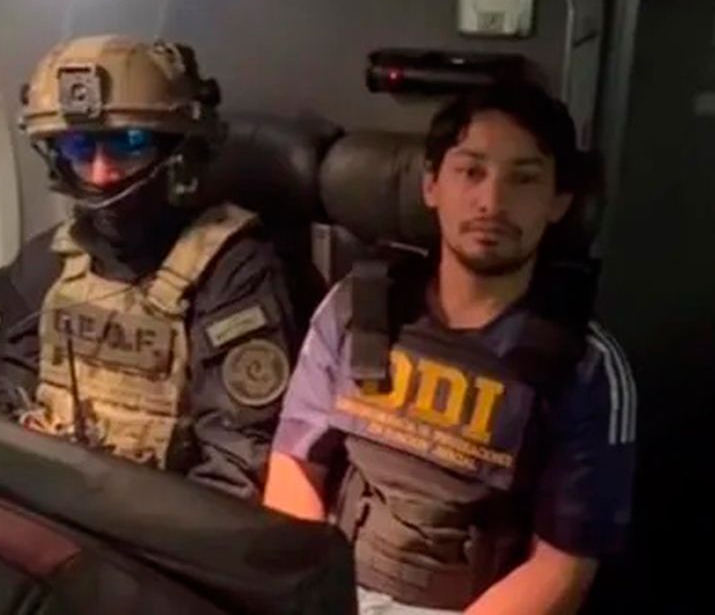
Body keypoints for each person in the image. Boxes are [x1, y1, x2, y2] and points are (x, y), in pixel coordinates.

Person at [263, 83, 637, 613]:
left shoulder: (587, 364)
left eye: (524, 178)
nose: (492, 202)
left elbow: (562, 567)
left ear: (559, 202)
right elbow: (295, 465)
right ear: (432, 184)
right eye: (471, 171)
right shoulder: (354, 307)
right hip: (331, 589)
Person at [0, 35, 300, 501]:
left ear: (178, 152)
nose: (101, 174)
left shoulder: (233, 272)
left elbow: (233, 469)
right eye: (80, 146)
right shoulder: (48, 262)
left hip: (156, 525)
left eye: (128, 143)